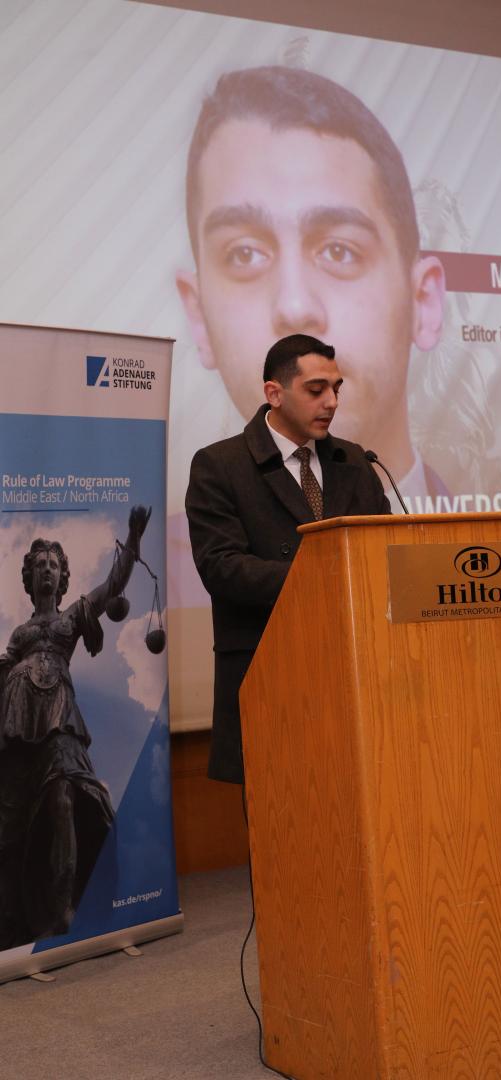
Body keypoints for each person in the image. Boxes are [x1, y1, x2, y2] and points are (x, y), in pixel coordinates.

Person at [176, 64, 446, 512]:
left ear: (424, 301)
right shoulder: (206, 498)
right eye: (245, 254)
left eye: (340, 250)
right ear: (199, 316)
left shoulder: (481, 544)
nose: (295, 305)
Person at [185, 334, 390, 784]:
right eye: (316, 390)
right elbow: (221, 567)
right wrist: (322, 580)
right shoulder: (221, 465)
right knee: (282, 815)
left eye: (336, 388)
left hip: (357, 676)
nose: (332, 402)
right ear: (274, 393)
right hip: (270, 678)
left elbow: (384, 553)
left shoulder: (355, 461)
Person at [0, 507, 151, 949]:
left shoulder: (70, 619)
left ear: (62, 577)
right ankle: (14, 917)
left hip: (59, 718)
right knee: (11, 825)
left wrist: (133, 538)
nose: (47, 570)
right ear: (30, 578)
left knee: (64, 797)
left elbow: (113, 586)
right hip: (17, 724)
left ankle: (64, 906)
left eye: (53, 564)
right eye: (40, 565)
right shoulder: (19, 634)